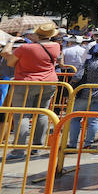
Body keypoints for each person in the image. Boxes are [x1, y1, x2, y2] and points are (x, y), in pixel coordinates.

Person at [1, 22, 61, 160]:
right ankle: (37, 147)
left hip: (26, 82)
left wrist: (11, 41)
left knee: (22, 115)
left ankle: (19, 150)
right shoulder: (56, 46)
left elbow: (8, 59)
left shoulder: (25, 48)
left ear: (36, 34)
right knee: (42, 113)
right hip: (49, 82)